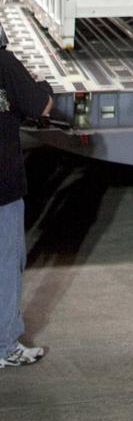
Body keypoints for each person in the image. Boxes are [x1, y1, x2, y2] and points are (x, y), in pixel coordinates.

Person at [0, 31, 52, 368]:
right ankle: (5, 345)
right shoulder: (3, 62)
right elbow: (38, 105)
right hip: (2, 187)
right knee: (5, 263)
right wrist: (43, 87)